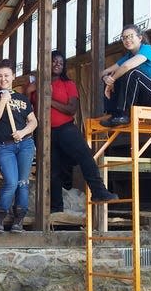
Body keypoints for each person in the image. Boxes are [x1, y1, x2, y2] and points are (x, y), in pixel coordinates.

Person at [48, 51, 118, 214]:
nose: (57, 64)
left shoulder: (68, 84)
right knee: (53, 171)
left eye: (60, 62)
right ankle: (56, 209)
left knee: (85, 154)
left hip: (66, 128)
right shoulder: (38, 84)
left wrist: (49, 100)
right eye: (53, 61)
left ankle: (98, 191)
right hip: (46, 133)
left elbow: (71, 109)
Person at [0, 60, 37, 233]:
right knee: (10, 182)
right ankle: (0, 217)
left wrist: (23, 132)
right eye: (0, 76)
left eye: (6, 76)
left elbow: (33, 122)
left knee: (23, 183)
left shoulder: (22, 98)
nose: (3, 79)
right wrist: (3, 101)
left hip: (25, 144)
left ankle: (19, 220)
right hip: (4, 146)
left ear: (13, 77)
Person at [99, 24, 151, 127]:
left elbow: (126, 66)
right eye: (124, 38)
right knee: (118, 75)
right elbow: (104, 72)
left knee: (132, 73)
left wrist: (111, 79)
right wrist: (106, 78)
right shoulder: (129, 56)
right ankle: (114, 114)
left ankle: (125, 114)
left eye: (130, 36)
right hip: (145, 98)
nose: (127, 40)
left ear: (140, 38)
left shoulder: (147, 50)